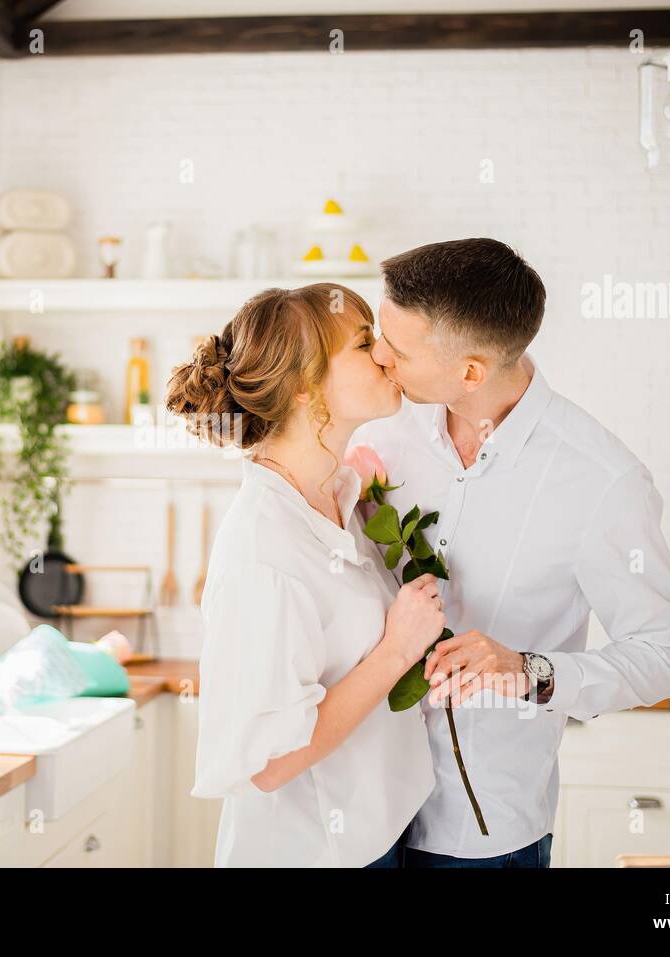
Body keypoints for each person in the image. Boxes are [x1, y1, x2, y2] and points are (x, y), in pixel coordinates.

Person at [352, 238, 670, 867]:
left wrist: (529, 671)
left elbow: (665, 656)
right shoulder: (374, 437)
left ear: (471, 372)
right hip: (362, 814)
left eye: (397, 350)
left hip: (481, 831)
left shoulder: (602, 479)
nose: (377, 356)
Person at [165, 283, 443, 867]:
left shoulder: (341, 497)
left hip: (376, 837)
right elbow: (268, 764)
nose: (386, 356)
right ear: (303, 387)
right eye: (365, 344)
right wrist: (396, 650)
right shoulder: (263, 551)